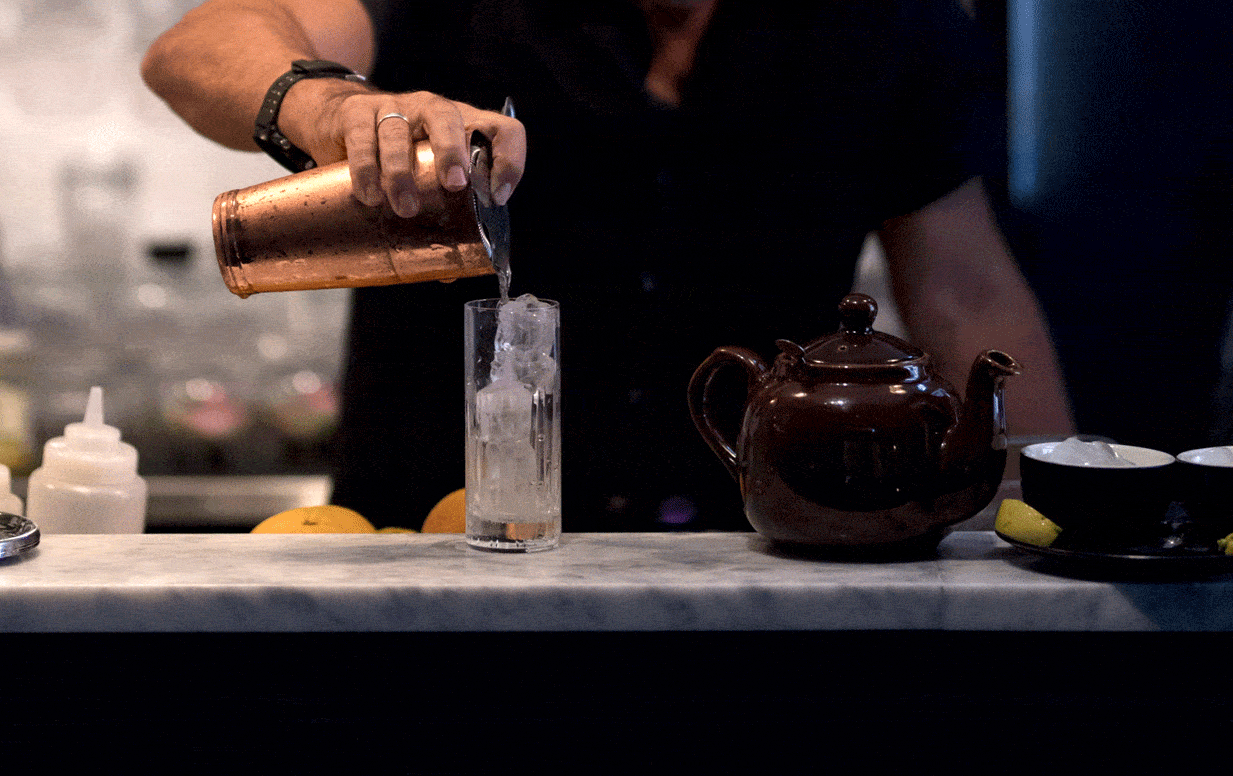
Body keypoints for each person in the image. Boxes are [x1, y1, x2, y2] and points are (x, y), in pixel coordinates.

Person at [142, 0, 1074, 531]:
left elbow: (968, 300)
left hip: (753, 576)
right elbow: (198, 46)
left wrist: (1051, 535)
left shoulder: (886, 24)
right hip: (429, 568)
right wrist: (328, 109)